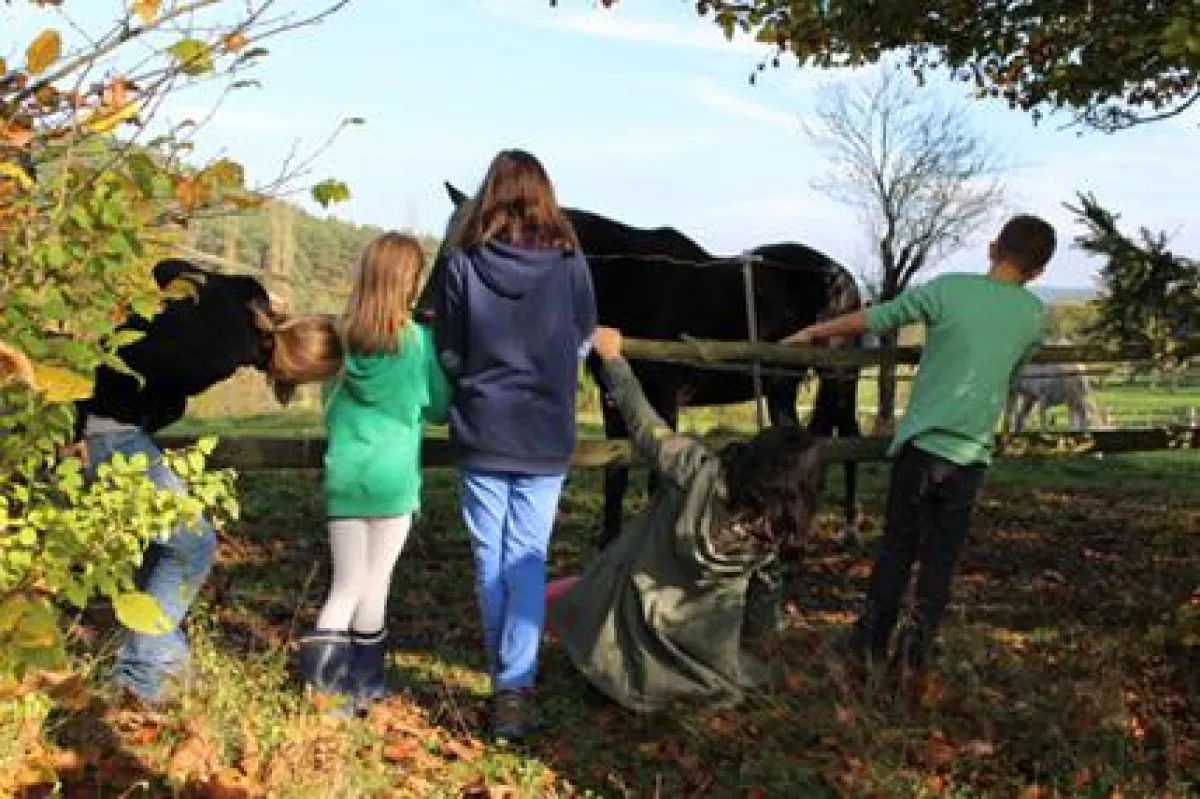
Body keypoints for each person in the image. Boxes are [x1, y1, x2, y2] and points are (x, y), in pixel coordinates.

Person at [781, 214, 1056, 675]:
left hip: (923, 448)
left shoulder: (949, 290)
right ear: (1039, 271)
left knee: (897, 549)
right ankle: (915, 655)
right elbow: (1011, 368)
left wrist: (812, 332)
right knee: (940, 561)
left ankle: (868, 645)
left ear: (992, 247)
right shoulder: (1031, 315)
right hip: (971, 457)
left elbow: (877, 316)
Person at [76, 259, 341, 706]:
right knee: (192, 542)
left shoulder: (243, 294)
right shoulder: (213, 358)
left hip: (113, 426)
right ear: (291, 372)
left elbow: (167, 268)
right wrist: (76, 428)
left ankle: (165, 667)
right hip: (104, 430)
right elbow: (118, 364)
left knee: (165, 544)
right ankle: (142, 673)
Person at [545, 326, 825, 713]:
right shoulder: (775, 530)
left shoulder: (697, 471)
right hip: (702, 643)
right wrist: (760, 639)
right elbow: (765, 598)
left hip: (634, 613)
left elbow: (645, 426)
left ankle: (616, 666)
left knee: (563, 594)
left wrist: (613, 360)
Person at [431, 149, 596, 740]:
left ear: (489, 193)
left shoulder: (460, 262)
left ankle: (507, 679)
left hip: (482, 427)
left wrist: (479, 375)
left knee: (489, 559)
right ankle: (515, 687)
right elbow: (581, 342)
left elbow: (447, 350)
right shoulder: (571, 262)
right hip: (546, 431)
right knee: (528, 559)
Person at [296, 232, 450, 715]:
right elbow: (441, 409)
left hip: (345, 479)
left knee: (346, 584)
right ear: (410, 283)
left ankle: (327, 691)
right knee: (374, 583)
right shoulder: (419, 345)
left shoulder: (337, 341)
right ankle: (362, 685)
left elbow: (327, 404)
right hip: (394, 483)